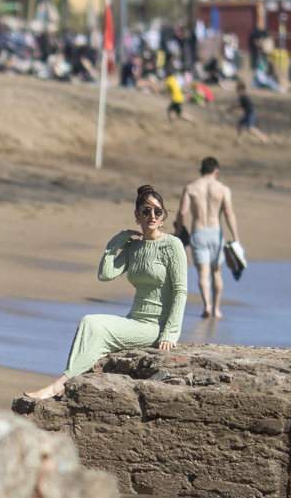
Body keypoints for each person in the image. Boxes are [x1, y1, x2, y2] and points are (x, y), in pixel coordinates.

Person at [13, 184, 186, 410]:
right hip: (134, 319)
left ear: (163, 217)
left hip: (156, 326)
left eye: (157, 212)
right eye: (146, 211)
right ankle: (68, 382)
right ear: (137, 216)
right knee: (89, 322)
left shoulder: (173, 245)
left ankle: (60, 384)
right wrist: (117, 242)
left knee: (96, 326)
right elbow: (105, 274)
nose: (152, 216)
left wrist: (170, 333)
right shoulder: (134, 248)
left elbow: (181, 291)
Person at [177, 157, 240, 320]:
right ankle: (217, 309)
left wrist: (178, 230)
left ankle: (207, 306)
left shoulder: (190, 188)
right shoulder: (223, 189)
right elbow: (228, 213)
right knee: (216, 272)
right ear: (216, 171)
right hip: (215, 233)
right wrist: (236, 237)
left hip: (198, 232)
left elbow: (182, 212)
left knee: (203, 274)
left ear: (201, 170)